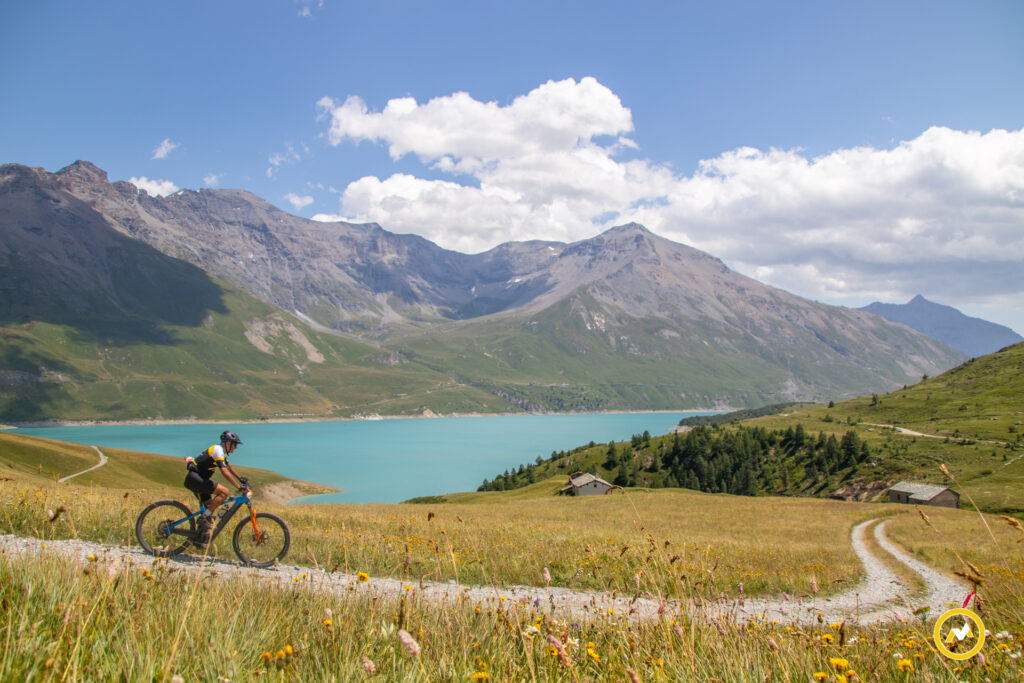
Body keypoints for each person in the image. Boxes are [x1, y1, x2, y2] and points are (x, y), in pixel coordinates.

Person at [184, 430, 247, 544]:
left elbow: (229, 466)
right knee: (224, 492)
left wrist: (240, 478)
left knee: (209, 511)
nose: (236, 447)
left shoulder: (222, 452)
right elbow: (224, 471)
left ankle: (199, 540)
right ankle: (203, 519)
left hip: (198, 480)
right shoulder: (218, 450)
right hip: (195, 479)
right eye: (235, 444)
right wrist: (238, 486)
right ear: (228, 443)